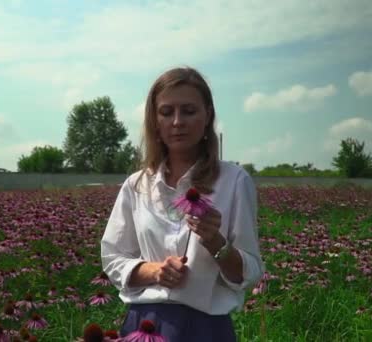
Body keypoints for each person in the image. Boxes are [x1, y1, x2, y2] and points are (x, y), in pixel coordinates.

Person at [100, 66, 264, 341]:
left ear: (207, 115)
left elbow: (250, 272)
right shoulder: (136, 185)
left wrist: (216, 242)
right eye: (166, 112)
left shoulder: (234, 181)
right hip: (144, 324)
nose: (177, 122)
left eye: (189, 111)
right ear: (155, 120)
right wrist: (153, 271)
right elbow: (113, 256)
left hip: (205, 328)